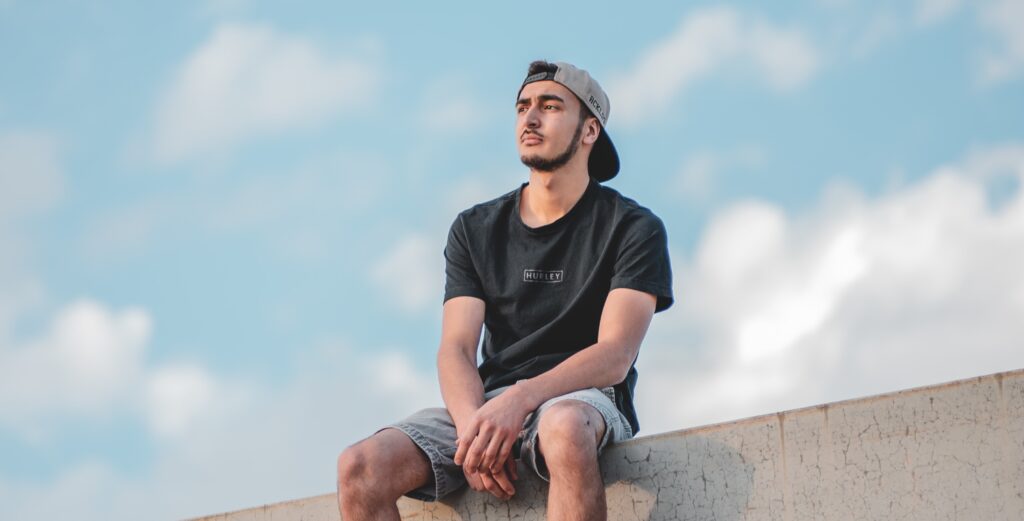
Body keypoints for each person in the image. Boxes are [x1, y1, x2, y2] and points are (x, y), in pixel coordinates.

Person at [336, 60, 673, 521]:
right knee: (360, 466)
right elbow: (455, 348)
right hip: (487, 405)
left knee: (565, 428)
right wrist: (476, 425)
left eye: (550, 107)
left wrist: (522, 398)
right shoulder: (475, 229)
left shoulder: (634, 228)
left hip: (582, 399)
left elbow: (615, 354)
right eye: (522, 107)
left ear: (589, 130)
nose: (530, 119)